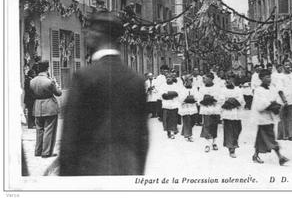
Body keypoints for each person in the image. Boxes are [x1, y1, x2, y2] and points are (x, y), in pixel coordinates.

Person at [59, 9, 148, 175]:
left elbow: (70, 139)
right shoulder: (136, 80)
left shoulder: (83, 77)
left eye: (89, 29)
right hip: (127, 171)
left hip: (90, 172)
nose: (86, 34)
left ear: (98, 34)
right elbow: (142, 139)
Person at [251, 69, 289, 165]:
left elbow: (275, 99)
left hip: (270, 116)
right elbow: (260, 105)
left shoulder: (271, 89)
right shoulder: (258, 90)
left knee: (261, 138)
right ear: (261, 78)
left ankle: (255, 155)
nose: (269, 79)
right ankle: (280, 157)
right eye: (267, 77)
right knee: (270, 137)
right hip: (262, 117)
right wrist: (270, 104)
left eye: (270, 77)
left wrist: (275, 104)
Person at [30, 60, 62, 158]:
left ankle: (38, 151)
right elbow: (59, 93)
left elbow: (32, 94)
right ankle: (46, 152)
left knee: (39, 130)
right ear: (47, 68)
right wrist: (56, 84)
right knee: (49, 130)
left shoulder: (32, 81)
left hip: (37, 106)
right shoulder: (49, 81)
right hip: (49, 107)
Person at [220, 74, 245, 158]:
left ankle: (234, 142)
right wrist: (229, 102)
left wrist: (234, 101)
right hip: (227, 113)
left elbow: (241, 100)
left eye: (232, 80)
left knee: (238, 129)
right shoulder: (223, 90)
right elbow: (221, 100)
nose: (230, 81)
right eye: (229, 80)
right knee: (229, 130)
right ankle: (231, 148)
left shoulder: (238, 89)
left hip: (236, 113)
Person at [276, 60, 292, 141]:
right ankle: (283, 135)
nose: (288, 66)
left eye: (289, 65)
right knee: (283, 117)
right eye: (286, 65)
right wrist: (284, 100)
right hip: (283, 100)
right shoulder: (280, 76)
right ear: (283, 66)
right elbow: (279, 90)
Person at [198, 73, 222, 152]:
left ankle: (214, 142)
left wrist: (212, 99)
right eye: (204, 78)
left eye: (206, 78)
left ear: (211, 79)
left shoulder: (217, 87)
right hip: (206, 109)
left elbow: (219, 97)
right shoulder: (202, 88)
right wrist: (204, 100)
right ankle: (207, 144)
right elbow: (199, 98)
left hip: (214, 109)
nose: (204, 80)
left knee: (214, 125)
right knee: (207, 125)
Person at [160, 72, 182, 139]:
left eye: (170, 77)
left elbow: (177, 93)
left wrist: (169, 94)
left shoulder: (176, 85)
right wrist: (171, 95)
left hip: (174, 104)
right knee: (166, 119)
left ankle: (172, 131)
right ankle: (168, 131)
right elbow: (163, 95)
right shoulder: (163, 85)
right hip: (166, 105)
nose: (168, 78)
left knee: (173, 118)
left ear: (172, 78)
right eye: (167, 77)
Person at [179, 75, 200, 142]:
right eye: (187, 81)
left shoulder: (194, 88)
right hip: (185, 107)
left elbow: (197, 96)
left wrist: (193, 97)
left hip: (193, 106)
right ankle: (188, 135)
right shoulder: (182, 88)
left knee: (193, 121)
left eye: (190, 81)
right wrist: (186, 97)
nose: (189, 82)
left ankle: (184, 131)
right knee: (187, 120)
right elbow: (180, 98)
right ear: (185, 81)